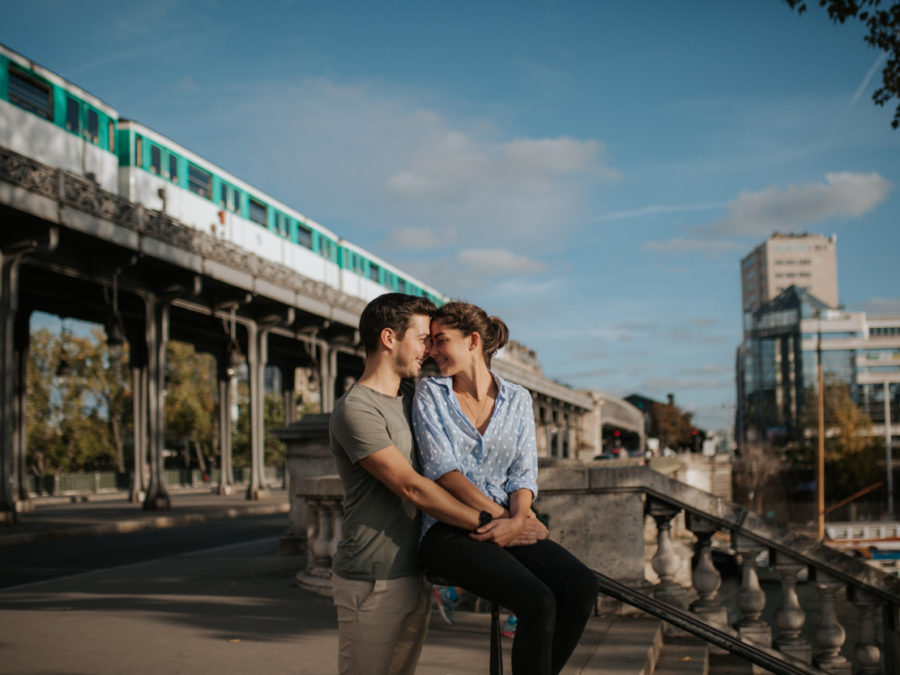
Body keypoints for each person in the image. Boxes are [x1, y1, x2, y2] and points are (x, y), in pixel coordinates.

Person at [329, 293, 546, 675]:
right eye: (422, 338)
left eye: (434, 340)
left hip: (413, 571)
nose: (429, 351)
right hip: (372, 577)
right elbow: (412, 487)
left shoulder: (413, 395)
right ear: (388, 338)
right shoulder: (356, 409)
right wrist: (495, 524)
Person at [413, 301, 597, 675]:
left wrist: (518, 516)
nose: (431, 351)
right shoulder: (430, 393)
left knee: (581, 586)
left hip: (506, 522)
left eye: (440, 340)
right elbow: (443, 471)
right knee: (537, 600)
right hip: (449, 528)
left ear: (473, 341)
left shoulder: (517, 398)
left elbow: (523, 472)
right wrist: (510, 522)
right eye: (430, 342)